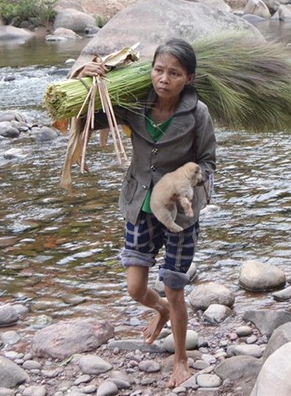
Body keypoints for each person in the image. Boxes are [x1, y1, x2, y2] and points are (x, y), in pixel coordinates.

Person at [77, 38, 215, 388]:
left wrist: (187, 187)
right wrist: (81, 75)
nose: (164, 79)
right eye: (158, 70)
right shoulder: (132, 102)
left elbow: (209, 163)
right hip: (139, 205)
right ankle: (161, 312)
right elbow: (82, 116)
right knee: (136, 288)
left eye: (174, 73)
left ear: (189, 78)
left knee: (174, 288)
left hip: (180, 216)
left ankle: (181, 359)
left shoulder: (197, 113)